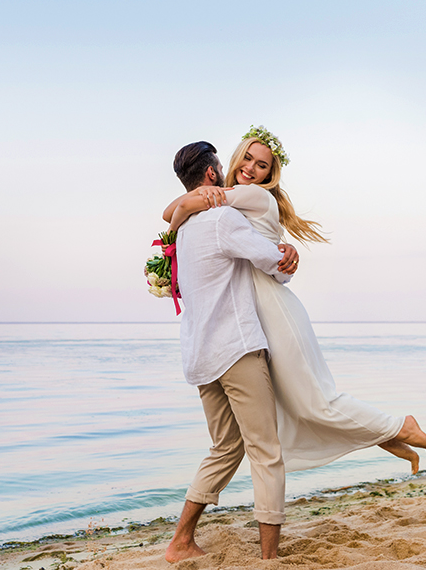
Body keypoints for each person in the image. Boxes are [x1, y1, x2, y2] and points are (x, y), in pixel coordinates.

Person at [164, 127, 426, 477]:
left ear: (269, 174)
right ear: (232, 160)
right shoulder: (229, 196)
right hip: (253, 316)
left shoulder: (252, 196)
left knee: (315, 402)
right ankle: (391, 435)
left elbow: (179, 206)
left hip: (274, 309)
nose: (251, 168)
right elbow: (181, 206)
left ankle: (400, 425)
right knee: (298, 406)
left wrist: (172, 239)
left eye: (262, 165)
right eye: (247, 158)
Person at [163, 140, 300, 562]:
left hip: (200, 356)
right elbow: (273, 266)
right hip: (236, 350)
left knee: (226, 448)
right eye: (221, 167)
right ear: (210, 174)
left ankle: (181, 540)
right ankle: (269, 556)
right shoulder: (222, 219)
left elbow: (172, 217)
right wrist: (288, 256)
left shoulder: (183, 231)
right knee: (265, 450)